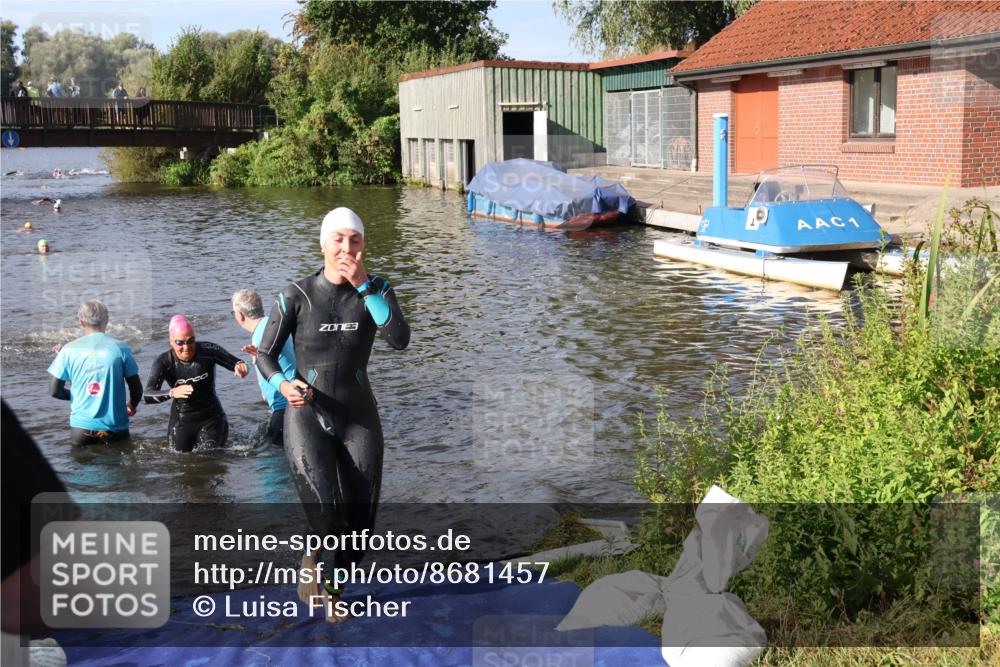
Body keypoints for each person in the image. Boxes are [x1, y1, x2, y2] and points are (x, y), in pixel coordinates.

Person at [256, 207, 410, 621]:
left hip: (358, 417)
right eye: (338, 239)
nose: (346, 248)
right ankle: (325, 579)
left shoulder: (378, 287)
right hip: (307, 416)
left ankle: (331, 577)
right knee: (327, 518)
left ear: (364, 245)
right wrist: (285, 386)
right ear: (323, 244)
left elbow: (399, 339)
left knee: (360, 532)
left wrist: (364, 288)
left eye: (355, 240)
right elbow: (265, 356)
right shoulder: (296, 295)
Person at [143, 314, 249, 452]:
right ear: (171, 341)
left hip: (211, 418)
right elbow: (147, 395)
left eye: (191, 341)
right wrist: (172, 392)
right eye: (180, 342)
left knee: (209, 458)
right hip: (181, 422)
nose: (186, 347)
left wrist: (241, 366)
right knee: (179, 461)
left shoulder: (208, 350)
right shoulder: (164, 361)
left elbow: (237, 362)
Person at [47, 300, 142, 446]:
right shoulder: (121, 348)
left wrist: (75, 394)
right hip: (115, 428)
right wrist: (132, 404)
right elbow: (136, 388)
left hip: (81, 429)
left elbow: (54, 391)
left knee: (84, 466)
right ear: (107, 321)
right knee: (118, 467)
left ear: (81, 322)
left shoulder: (68, 350)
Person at [232, 289, 296, 447]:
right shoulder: (271, 324)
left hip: (286, 406)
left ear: (239, 315)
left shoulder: (262, 333)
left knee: (270, 461)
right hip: (294, 401)